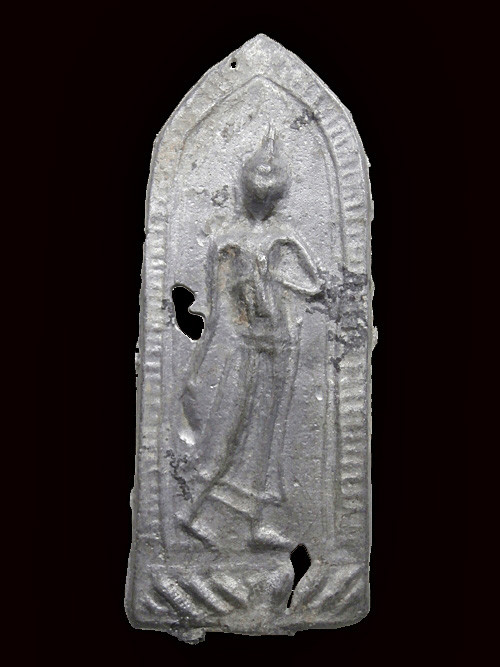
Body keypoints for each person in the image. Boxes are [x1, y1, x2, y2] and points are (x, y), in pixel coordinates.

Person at [176, 128, 322, 551]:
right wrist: (206, 357)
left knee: (267, 438)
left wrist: (279, 276)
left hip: (278, 345)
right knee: (230, 429)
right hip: (244, 345)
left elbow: (316, 285)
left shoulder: (284, 235)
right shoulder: (229, 238)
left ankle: (257, 522)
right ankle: (191, 511)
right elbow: (217, 307)